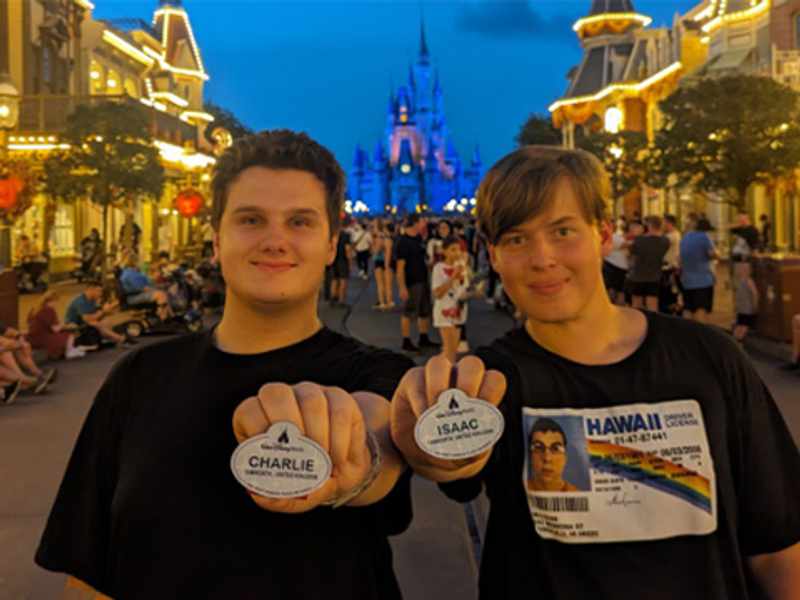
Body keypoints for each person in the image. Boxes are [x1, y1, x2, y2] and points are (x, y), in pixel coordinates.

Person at [390, 145, 800, 599]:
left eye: (563, 231)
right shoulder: (490, 383)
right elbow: (452, 469)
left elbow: (778, 546)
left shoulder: (710, 359)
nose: (543, 258)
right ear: (495, 255)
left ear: (603, 234)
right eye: (517, 239)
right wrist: (426, 440)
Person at [37, 129, 415, 600]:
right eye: (251, 220)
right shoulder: (138, 378)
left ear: (332, 244)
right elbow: (87, 574)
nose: (275, 240)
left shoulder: (382, 376)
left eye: (300, 222)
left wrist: (352, 467)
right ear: (216, 240)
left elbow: (379, 444)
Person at [396, 213, 439, 353]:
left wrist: (429, 264)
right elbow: (400, 267)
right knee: (409, 311)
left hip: (423, 278)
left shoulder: (419, 238)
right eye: (422, 221)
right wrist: (402, 287)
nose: (425, 223)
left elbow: (422, 258)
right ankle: (406, 341)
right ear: (415, 223)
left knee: (424, 310)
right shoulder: (403, 242)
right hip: (412, 281)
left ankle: (423, 338)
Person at [431, 236, 470, 363]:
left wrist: (475, 292)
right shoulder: (438, 268)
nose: (457, 253)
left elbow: (463, 291)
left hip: (459, 311)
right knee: (450, 349)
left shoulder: (461, 267)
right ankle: (446, 372)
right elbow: (438, 294)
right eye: (453, 249)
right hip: (444, 311)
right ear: (444, 251)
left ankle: (442, 369)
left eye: (459, 249)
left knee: (453, 349)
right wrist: (453, 276)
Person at [65, 281, 129, 347]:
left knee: (106, 320)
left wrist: (110, 309)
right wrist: (103, 311)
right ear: (91, 289)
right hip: (76, 328)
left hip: (85, 324)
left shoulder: (91, 300)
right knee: (95, 323)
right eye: (99, 291)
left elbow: (97, 314)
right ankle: (120, 339)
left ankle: (114, 337)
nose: (101, 293)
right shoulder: (81, 302)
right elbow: (89, 319)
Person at [626, 215, 669, 312]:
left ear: (649, 226)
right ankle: (653, 322)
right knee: (653, 305)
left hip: (638, 276)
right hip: (655, 277)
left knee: (637, 306)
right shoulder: (665, 241)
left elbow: (630, 254)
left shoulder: (639, 240)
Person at [27, 290, 87, 360]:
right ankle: (69, 352)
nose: (56, 304)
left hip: (32, 337)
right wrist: (66, 326)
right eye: (56, 302)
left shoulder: (34, 308)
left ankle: (69, 350)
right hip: (43, 338)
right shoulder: (49, 310)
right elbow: (55, 329)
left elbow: (29, 323)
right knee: (69, 334)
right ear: (53, 300)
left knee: (63, 332)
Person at [680, 217, 717, 323]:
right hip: (702, 280)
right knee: (701, 308)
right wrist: (717, 255)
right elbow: (711, 254)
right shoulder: (704, 237)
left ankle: (687, 331)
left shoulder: (686, 236)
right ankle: (699, 332)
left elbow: (680, 258)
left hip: (687, 280)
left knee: (688, 308)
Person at [526, 418, 578, 493]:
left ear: (565, 457)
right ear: (530, 456)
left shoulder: (575, 492)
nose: (547, 458)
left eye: (556, 449)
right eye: (538, 448)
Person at [119, 255, 172, 320]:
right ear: (134, 263)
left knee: (163, 291)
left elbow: (148, 282)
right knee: (161, 295)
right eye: (139, 262)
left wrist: (160, 286)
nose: (141, 264)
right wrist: (157, 288)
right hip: (134, 297)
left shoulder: (133, 272)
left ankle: (168, 316)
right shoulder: (130, 274)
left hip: (137, 294)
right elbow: (143, 288)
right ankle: (163, 317)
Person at [602, 218, 629, 305]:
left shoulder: (615, 236)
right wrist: (639, 240)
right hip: (614, 266)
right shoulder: (610, 237)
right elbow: (624, 245)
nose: (613, 225)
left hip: (619, 267)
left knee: (619, 290)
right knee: (614, 290)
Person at [732, 261, 759, 343]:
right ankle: (738, 341)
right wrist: (755, 305)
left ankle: (734, 339)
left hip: (740, 309)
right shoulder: (749, 281)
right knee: (745, 326)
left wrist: (736, 306)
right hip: (747, 309)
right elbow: (755, 293)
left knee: (740, 324)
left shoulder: (738, 281)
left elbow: (736, 296)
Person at [330, 219, 352, 306]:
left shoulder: (332, 236)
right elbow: (348, 250)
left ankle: (333, 297)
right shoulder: (345, 235)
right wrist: (350, 262)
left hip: (333, 260)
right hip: (343, 260)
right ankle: (341, 300)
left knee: (335, 279)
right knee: (343, 280)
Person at [371, 220, 390, 309]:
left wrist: (373, 248)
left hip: (378, 260)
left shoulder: (378, 236)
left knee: (380, 284)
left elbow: (377, 250)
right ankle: (387, 301)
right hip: (385, 260)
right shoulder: (385, 235)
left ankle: (382, 302)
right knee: (385, 283)